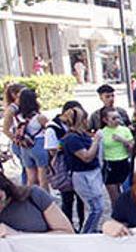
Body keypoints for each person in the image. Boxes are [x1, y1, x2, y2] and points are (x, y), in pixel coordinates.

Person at [61, 107, 104, 233]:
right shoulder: (72, 139)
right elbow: (86, 157)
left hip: (92, 173)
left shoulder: (82, 135)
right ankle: (87, 232)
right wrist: (96, 141)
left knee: (98, 206)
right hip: (82, 175)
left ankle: (92, 229)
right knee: (96, 207)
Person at [46, 102, 85, 230]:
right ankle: (68, 227)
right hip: (64, 169)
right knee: (67, 200)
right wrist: (67, 144)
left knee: (81, 199)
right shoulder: (52, 128)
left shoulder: (75, 126)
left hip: (77, 167)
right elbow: (52, 149)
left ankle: (82, 225)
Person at [14, 89, 50, 189]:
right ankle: (44, 200)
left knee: (31, 178)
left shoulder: (17, 116)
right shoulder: (39, 117)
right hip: (39, 144)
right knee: (42, 177)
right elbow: (50, 129)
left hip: (24, 146)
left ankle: (31, 200)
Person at [99, 107, 133, 204]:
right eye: (113, 118)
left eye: (118, 117)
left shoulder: (125, 130)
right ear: (105, 120)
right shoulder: (102, 133)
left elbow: (132, 147)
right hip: (109, 164)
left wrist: (123, 140)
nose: (117, 120)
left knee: (128, 193)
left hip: (124, 162)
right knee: (115, 197)